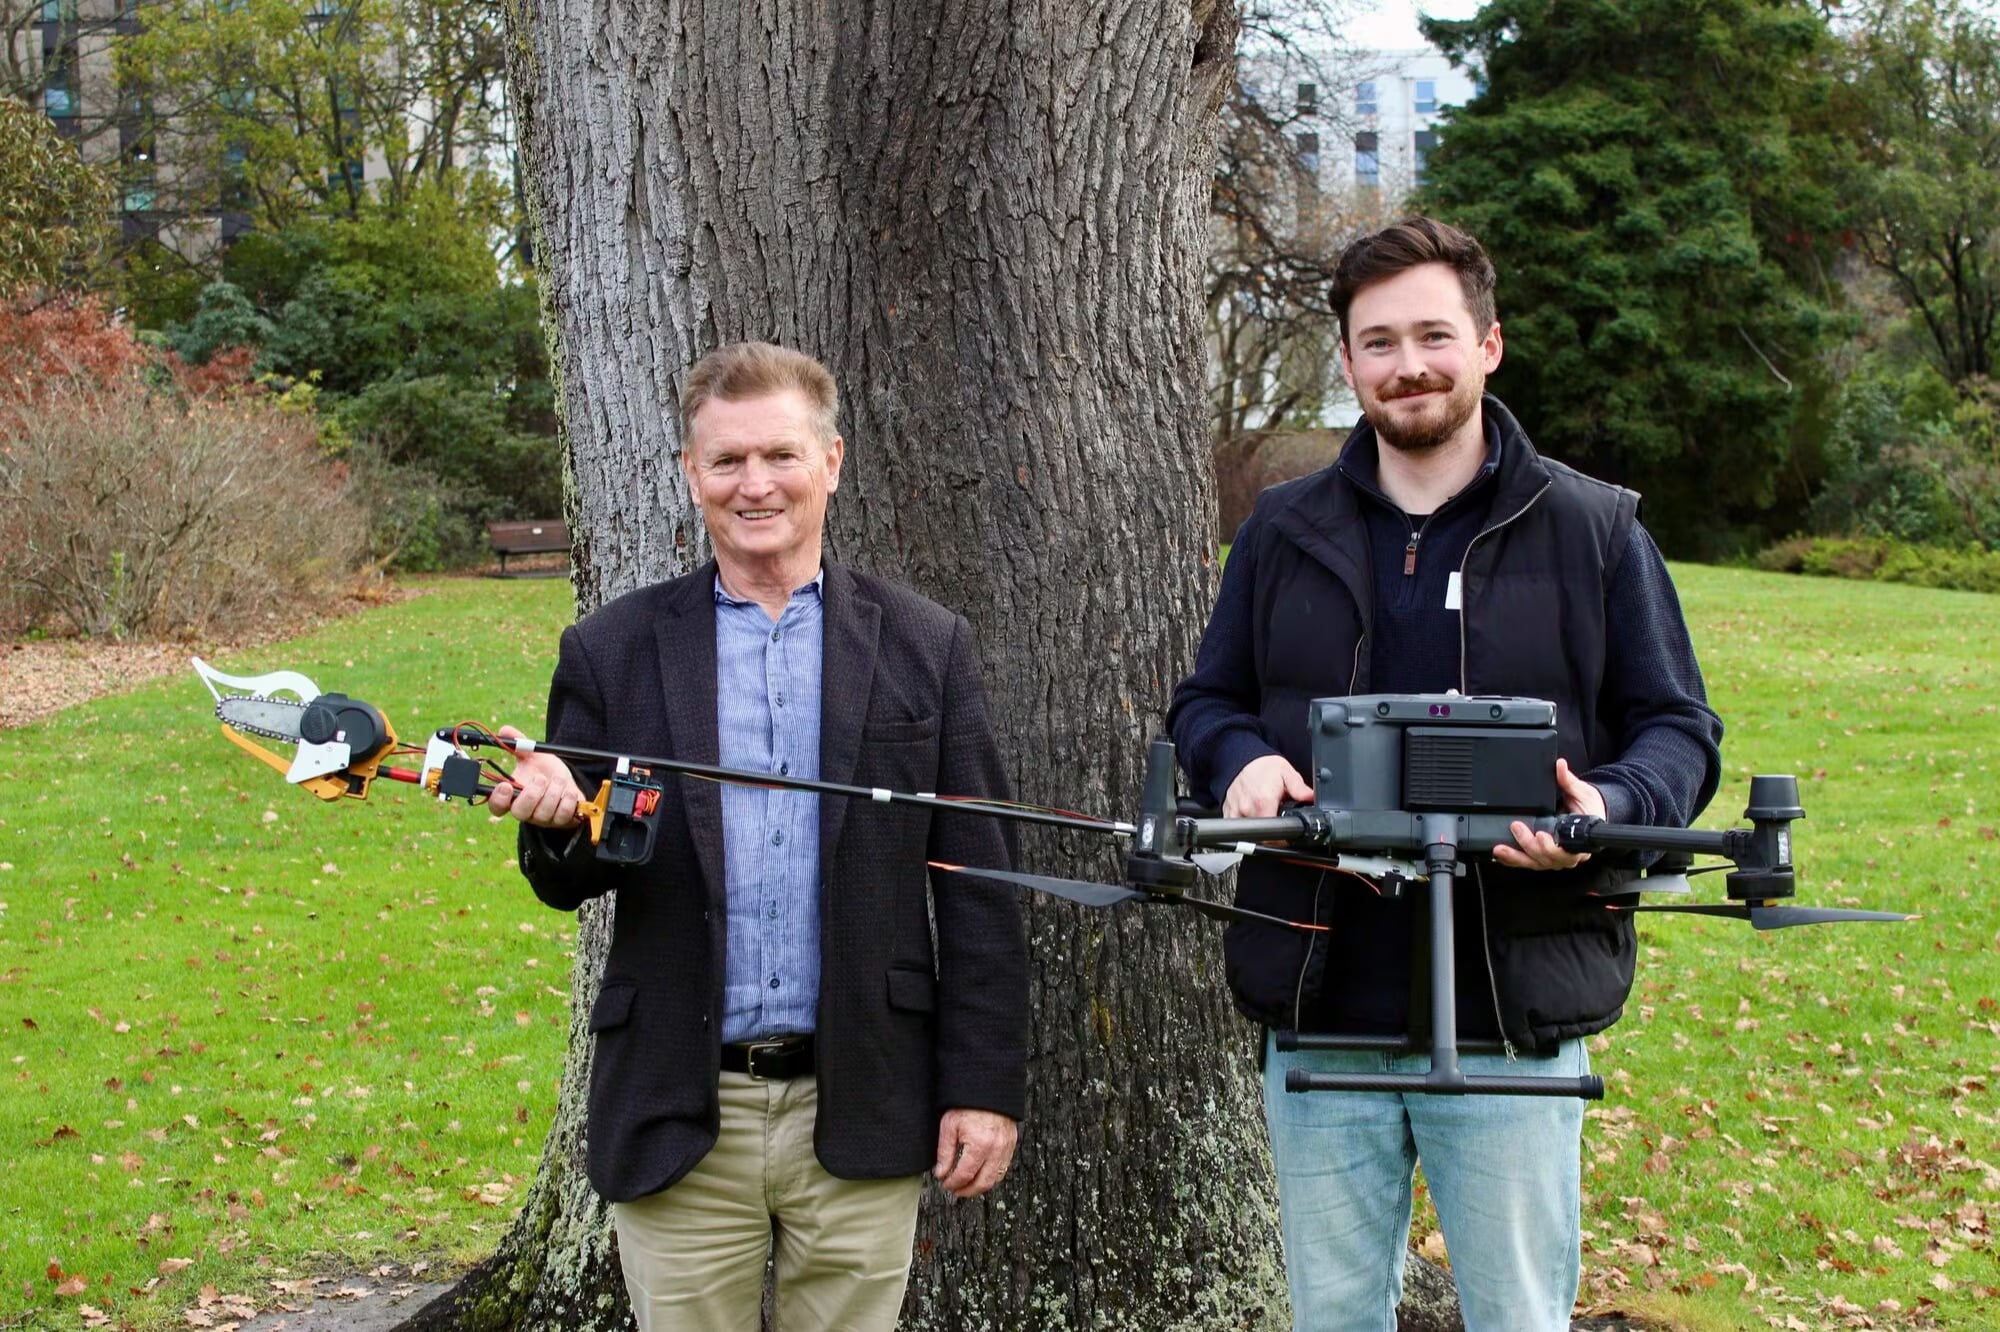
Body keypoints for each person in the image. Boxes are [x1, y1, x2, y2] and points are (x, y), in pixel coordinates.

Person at [1167, 217, 1723, 1331]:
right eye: (1377, 342)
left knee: (1517, 1312)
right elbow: (1207, 703)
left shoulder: (1591, 528)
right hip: (1322, 998)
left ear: (1487, 345)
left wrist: (1605, 808)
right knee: (1331, 1315)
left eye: (1430, 334)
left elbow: (1676, 730)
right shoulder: (1280, 531)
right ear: (1346, 363)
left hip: (1509, 998)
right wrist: (1240, 763)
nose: (1405, 365)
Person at [491, 341, 1029, 1332]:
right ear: (690, 475)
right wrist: (557, 820)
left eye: (779, 455)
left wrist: (983, 1088)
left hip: (866, 1090)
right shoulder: (611, 651)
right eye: (727, 461)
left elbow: (979, 884)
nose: (755, 485)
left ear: (830, 462)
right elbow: (566, 876)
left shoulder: (925, 645)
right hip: (683, 1105)